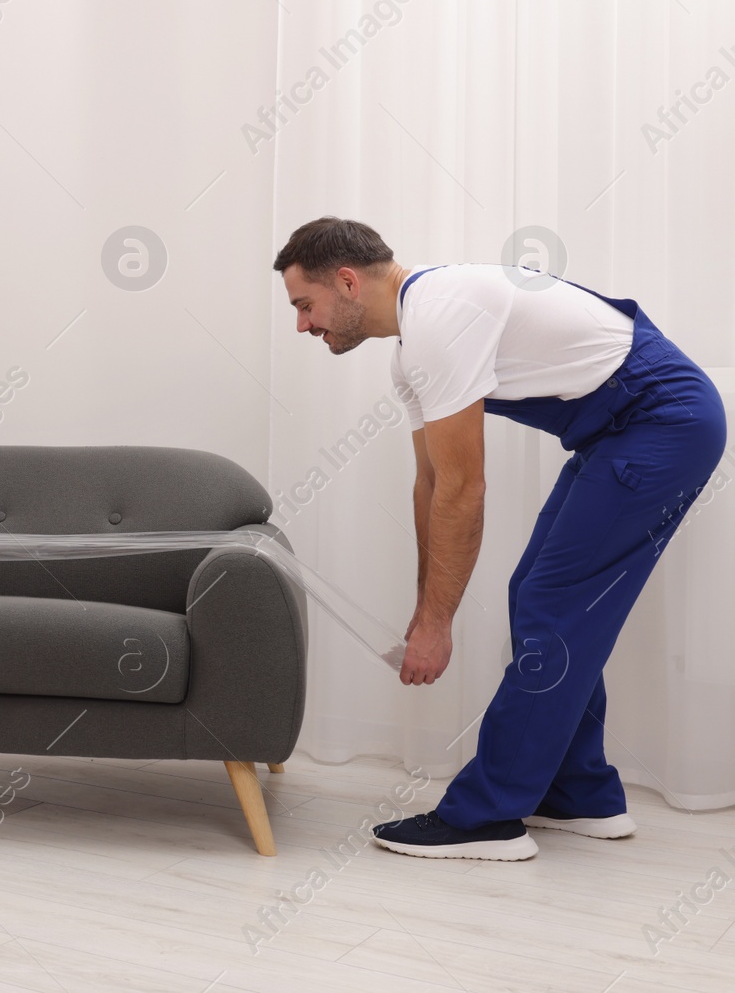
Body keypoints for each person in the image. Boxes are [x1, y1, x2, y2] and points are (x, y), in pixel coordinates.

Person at [274, 216, 725, 860]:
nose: (303, 325)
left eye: (305, 305)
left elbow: (465, 490)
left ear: (347, 281)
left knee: (552, 604)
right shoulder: (411, 353)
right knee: (536, 594)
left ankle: (487, 816)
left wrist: (437, 626)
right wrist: (424, 606)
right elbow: (429, 485)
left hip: (662, 420)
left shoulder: (440, 316)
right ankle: (579, 794)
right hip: (622, 431)